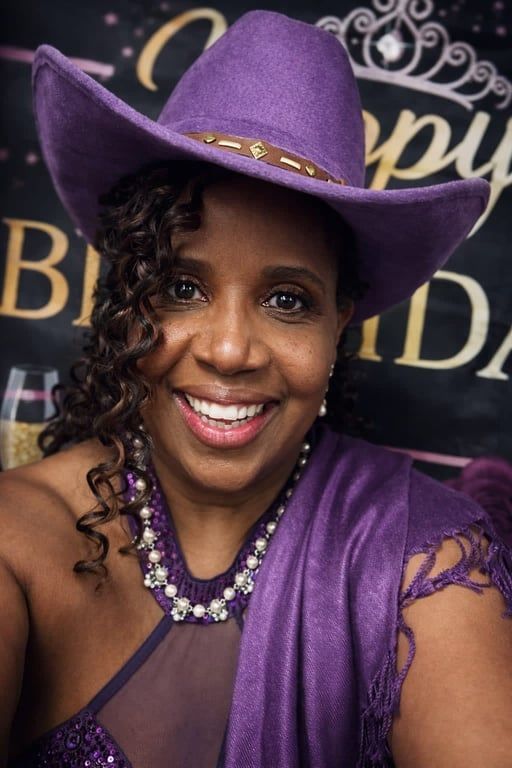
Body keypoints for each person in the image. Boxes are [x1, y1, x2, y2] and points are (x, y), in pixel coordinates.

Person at [1, 10, 511, 768]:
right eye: (180, 285)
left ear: (339, 323)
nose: (231, 350)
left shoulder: (424, 560)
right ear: (125, 297)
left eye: (287, 300)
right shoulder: (16, 541)